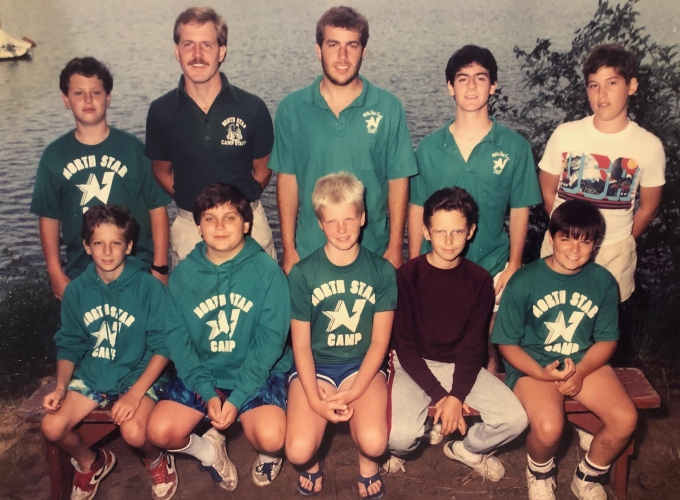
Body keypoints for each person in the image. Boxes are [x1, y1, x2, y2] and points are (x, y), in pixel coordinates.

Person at [146, 183, 291, 492]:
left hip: (256, 371)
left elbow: (269, 344)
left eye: (230, 217)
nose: (220, 226)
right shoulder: (184, 275)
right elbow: (179, 342)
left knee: (273, 437)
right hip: (206, 372)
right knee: (160, 432)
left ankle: (268, 454)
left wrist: (236, 399)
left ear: (247, 224)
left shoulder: (267, 271)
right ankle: (210, 451)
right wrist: (207, 392)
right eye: (210, 218)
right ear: (198, 227)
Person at [491, 199, 638, 500]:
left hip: (583, 361)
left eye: (585, 241)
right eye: (566, 238)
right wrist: (542, 375)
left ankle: (588, 475)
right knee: (548, 428)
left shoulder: (603, 281)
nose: (574, 249)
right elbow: (505, 342)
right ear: (551, 238)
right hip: (533, 363)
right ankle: (540, 472)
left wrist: (581, 372)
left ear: (596, 245)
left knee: (625, 419)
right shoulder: (525, 280)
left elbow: (607, 339)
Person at [408, 45, 542, 370]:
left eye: (480, 78)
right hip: (439, 263)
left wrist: (513, 264)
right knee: (441, 348)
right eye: (462, 78)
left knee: (490, 345)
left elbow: (521, 208)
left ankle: (493, 419)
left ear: (493, 85)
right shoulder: (428, 148)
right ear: (449, 87)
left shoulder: (514, 147)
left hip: (493, 264)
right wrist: (414, 265)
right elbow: (415, 209)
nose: (471, 87)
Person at [385, 187, 527, 481]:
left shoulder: (479, 280)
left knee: (515, 420)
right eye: (440, 232)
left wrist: (456, 394)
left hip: (460, 367)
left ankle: (468, 448)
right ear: (426, 231)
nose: (448, 241)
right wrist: (441, 396)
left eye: (458, 232)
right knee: (398, 438)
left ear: (471, 231)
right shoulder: (407, 276)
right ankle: (419, 432)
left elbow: (473, 345)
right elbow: (406, 348)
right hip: (413, 364)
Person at [270, 5, 418, 273]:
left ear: (364, 51)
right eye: (333, 44)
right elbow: (288, 180)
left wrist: (396, 246)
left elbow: (399, 180)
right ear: (318, 50)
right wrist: (289, 249)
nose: (342, 56)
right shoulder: (292, 108)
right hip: (309, 251)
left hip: (372, 250)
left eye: (352, 45)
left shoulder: (388, 106)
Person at [40, 205, 174, 500]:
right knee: (51, 425)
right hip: (95, 374)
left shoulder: (149, 287)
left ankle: (156, 459)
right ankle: (92, 462)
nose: (108, 251)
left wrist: (135, 393)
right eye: (98, 243)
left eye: (116, 243)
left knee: (135, 432)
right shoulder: (77, 291)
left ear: (128, 246)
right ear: (87, 246)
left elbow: (164, 346)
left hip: (139, 374)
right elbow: (69, 342)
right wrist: (61, 387)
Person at [285, 172, 397, 499]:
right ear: (319, 223)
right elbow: (301, 345)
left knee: (375, 441)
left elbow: (380, 342)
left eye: (349, 218)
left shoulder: (382, 271)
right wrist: (316, 399)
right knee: (298, 450)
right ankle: (312, 465)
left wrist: (355, 390)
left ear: (362, 217)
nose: (342, 229)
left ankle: (367, 463)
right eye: (331, 221)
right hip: (316, 365)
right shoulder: (304, 273)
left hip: (362, 365)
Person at [31, 57, 171, 300]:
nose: (88, 100)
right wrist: (55, 272)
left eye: (96, 92)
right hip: (81, 272)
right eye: (78, 93)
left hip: (137, 269)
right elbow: (49, 217)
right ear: (66, 99)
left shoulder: (134, 149)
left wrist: (159, 267)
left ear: (108, 98)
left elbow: (157, 209)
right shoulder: (54, 156)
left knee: (139, 335)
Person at [145, 7, 277, 266]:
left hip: (248, 225)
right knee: (190, 305)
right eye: (188, 45)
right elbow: (161, 171)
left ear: (222, 51)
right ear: (176, 51)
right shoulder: (160, 111)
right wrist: (196, 204)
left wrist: (234, 209)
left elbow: (264, 169)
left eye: (206, 44)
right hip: (189, 229)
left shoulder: (252, 107)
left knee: (263, 304)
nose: (197, 55)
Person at [538, 43, 665, 306]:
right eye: (594, 85)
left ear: (631, 86)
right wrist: (566, 231)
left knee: (604, 327)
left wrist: (622, 240)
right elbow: (548, 190)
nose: (602, 94)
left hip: (613, 253)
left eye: (611, 83)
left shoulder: (648, 145)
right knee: (551, 313)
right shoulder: (566, 134)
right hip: (560, 247)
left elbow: (648, 208)